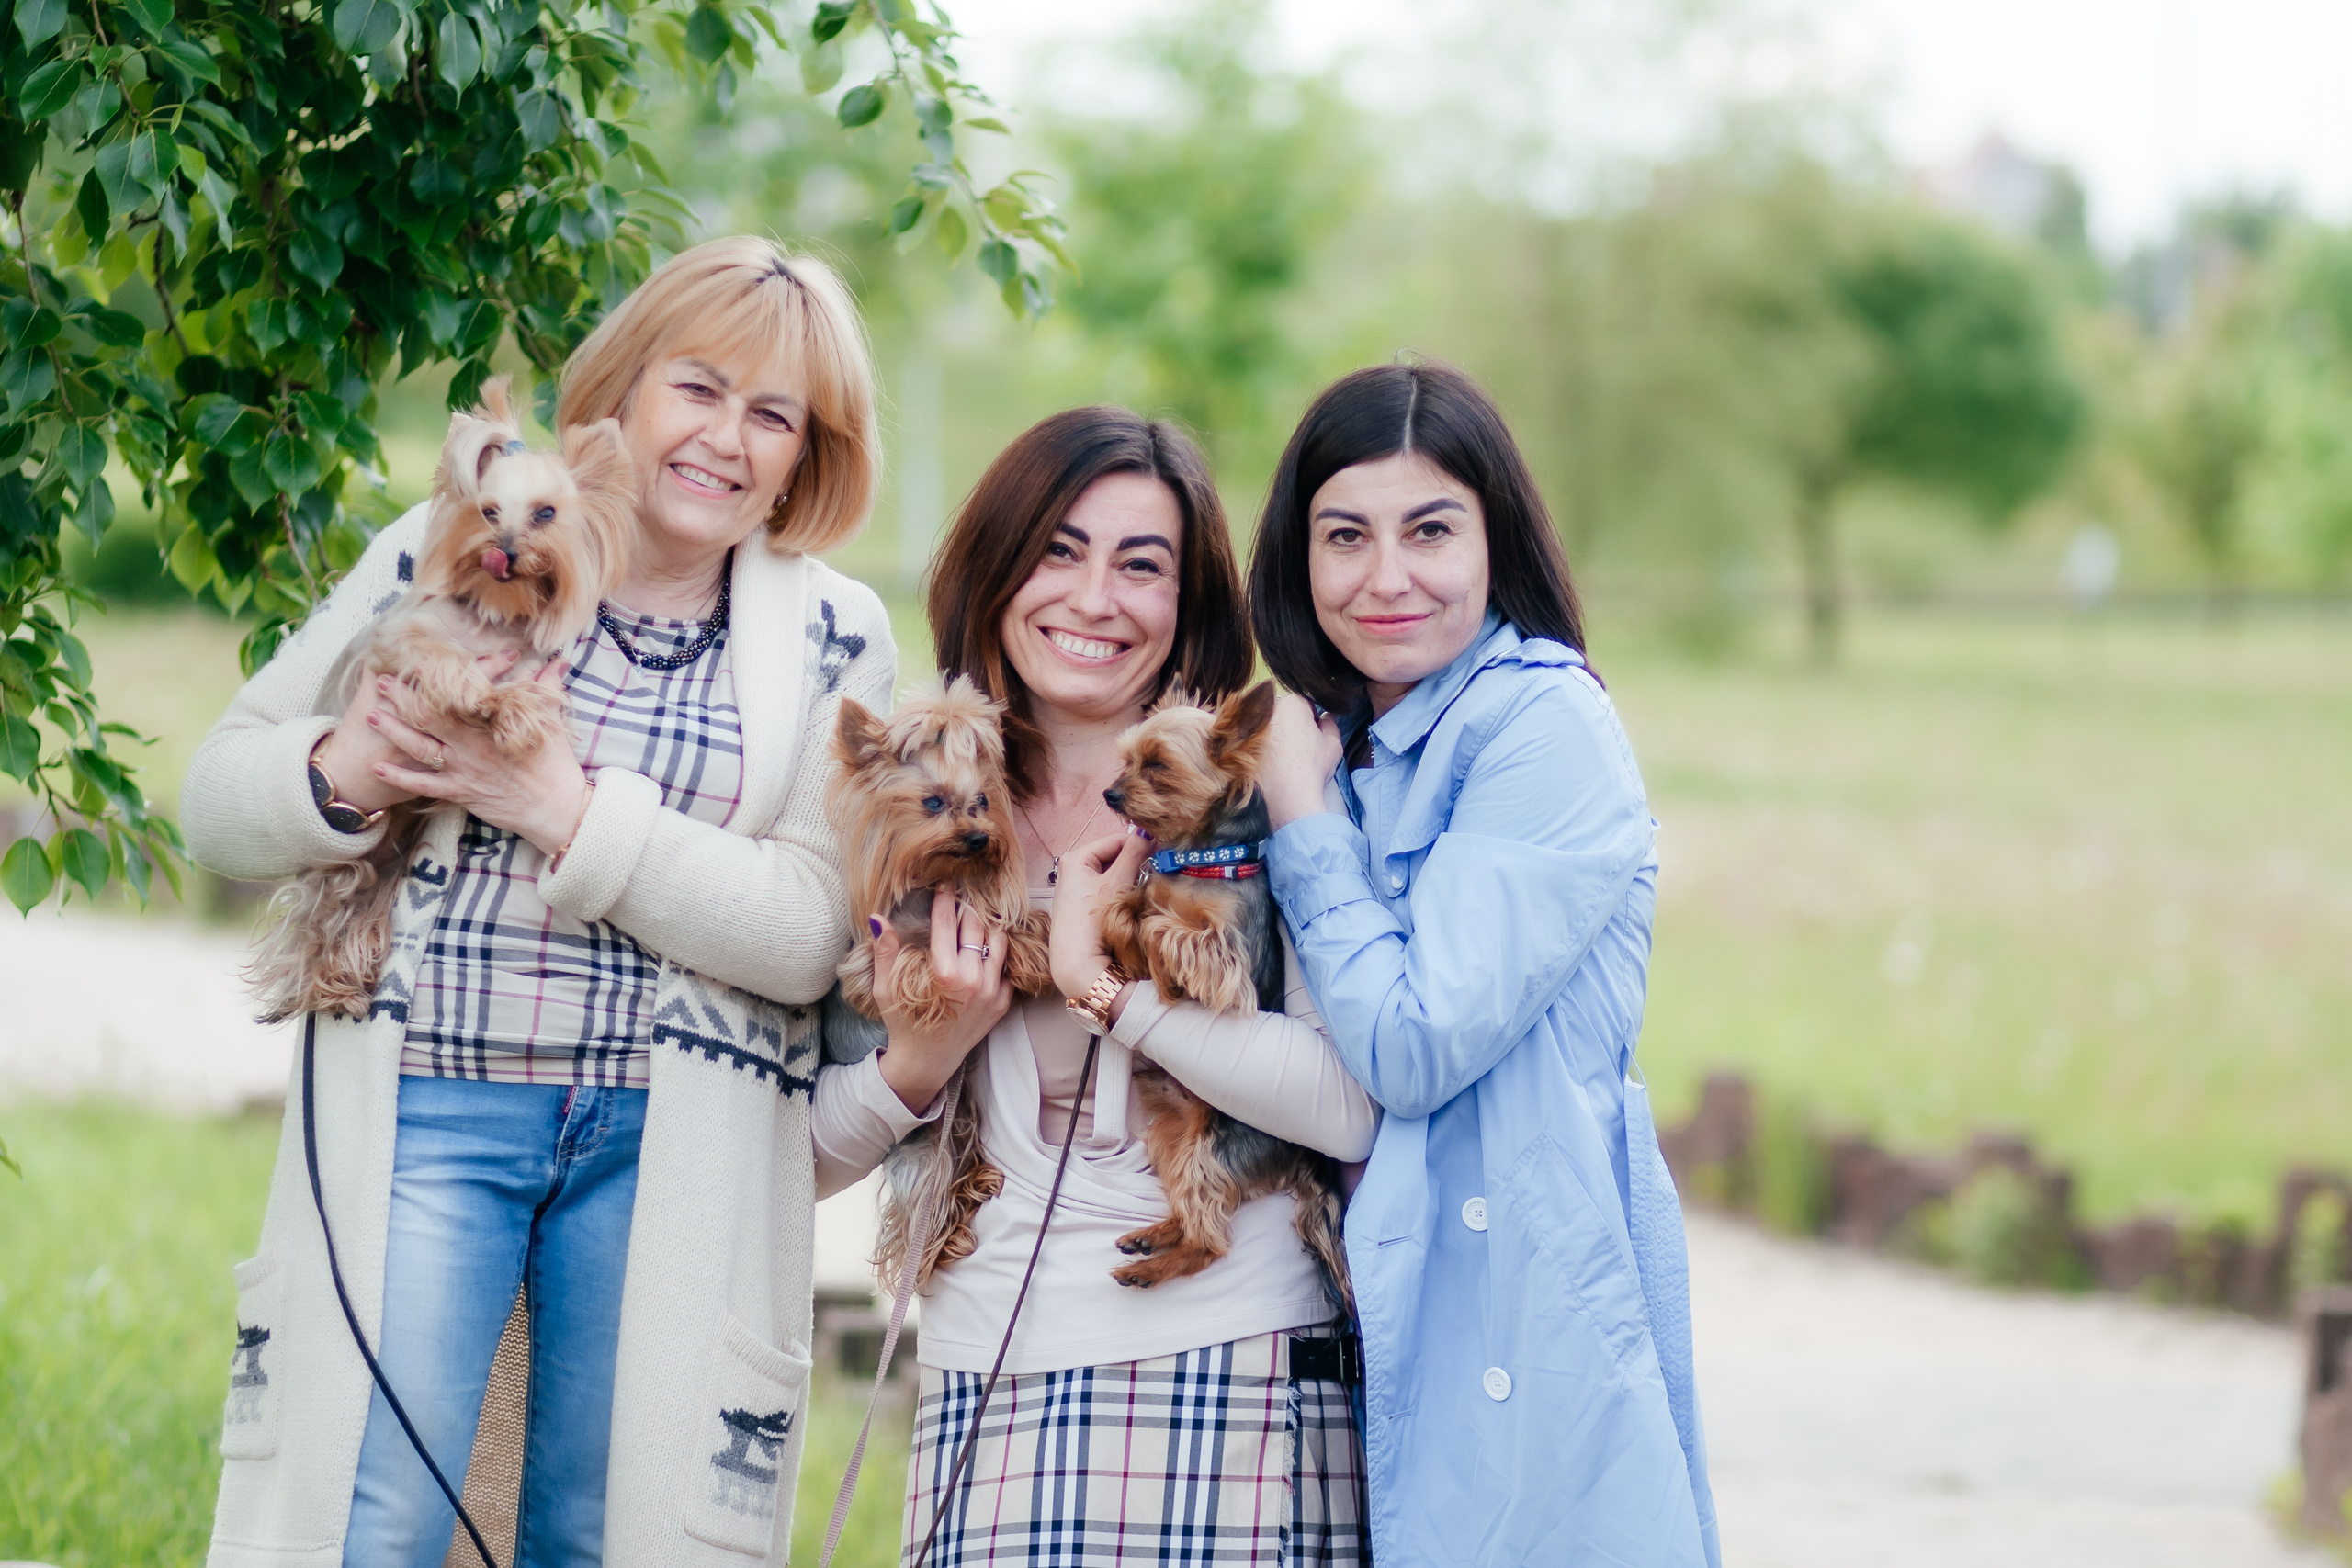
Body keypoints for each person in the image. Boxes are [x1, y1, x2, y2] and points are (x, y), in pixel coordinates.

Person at [183, 236, 895, 1566]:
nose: (727, 439)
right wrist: (342, 770)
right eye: (700, 388)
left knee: (602, 1532)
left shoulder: (834, 631)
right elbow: (218, 794)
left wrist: (562, 808)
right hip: (434, 1103)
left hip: (667, 1140)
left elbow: (809, 930)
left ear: (810, 453)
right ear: (626, 390)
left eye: (773, 414)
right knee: (371, 1516)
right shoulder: (451, 544)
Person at [810, 406, 1378, 1565]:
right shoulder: (911, 798)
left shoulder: (1266, 793)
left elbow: (1347, 1101)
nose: (1093, 598)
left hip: (1241, 1361)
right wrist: (928, 1049)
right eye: (1058, 550)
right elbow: (804, 1151)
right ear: (996, 567)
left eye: (1142, 565)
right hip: (993, 1370)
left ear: (1188, 606)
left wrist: (1099, 983)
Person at [1249, 361, 1719, 1566]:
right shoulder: (1350, 738)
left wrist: (1302, 822)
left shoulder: (1541, 724)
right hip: (1379, 1329)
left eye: (1430, 529)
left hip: (1523, 1315)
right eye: (1345, 534)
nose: (1385, 575)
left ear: (1494, 538)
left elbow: (1412, 1044)